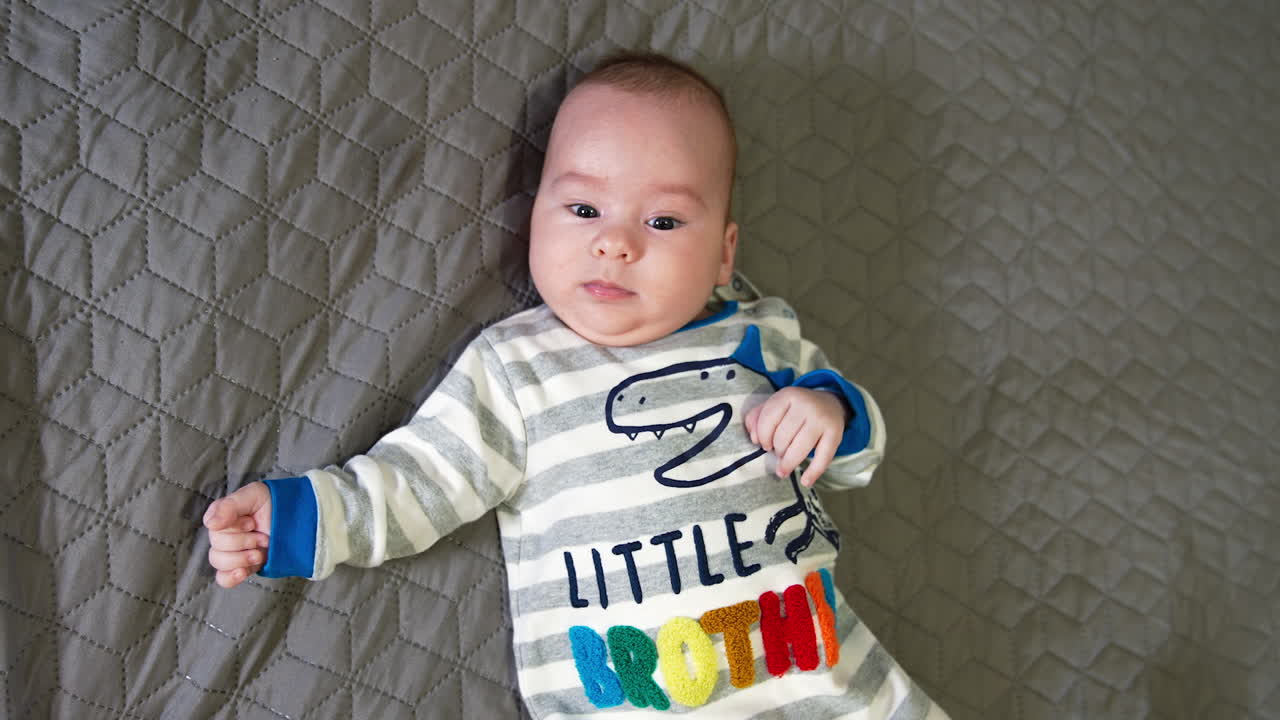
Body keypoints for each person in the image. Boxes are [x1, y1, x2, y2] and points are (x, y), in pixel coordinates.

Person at [205, 52, 948, 719]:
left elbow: (859, 458)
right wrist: (299, 519)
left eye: (662, 220)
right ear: (536, 220)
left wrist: (830, 412)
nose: (615, 241)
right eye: (584, 208)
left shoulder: (761, 335)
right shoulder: (516, 369)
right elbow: (421, 481)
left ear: (724, 254)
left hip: (823, 682)